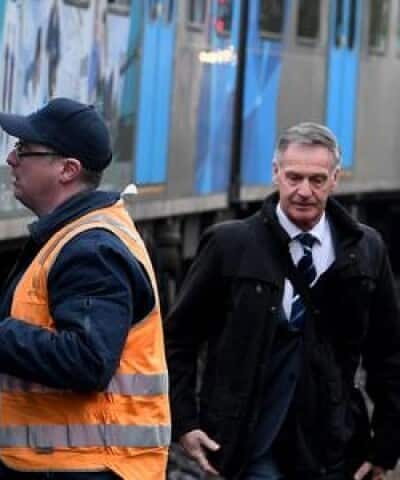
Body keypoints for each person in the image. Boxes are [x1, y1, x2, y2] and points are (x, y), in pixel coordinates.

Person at [0, 98, 168, 479]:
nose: (11, 160)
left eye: (24, 150)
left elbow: (87, 360)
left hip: (84, 469)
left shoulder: (92, 249)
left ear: (68, 170)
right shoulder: (71, 236)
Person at [165, 122, 400, 479]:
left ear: (335, 179)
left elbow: (388, 355)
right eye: (294, 177)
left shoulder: (365, 250)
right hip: (248, 446)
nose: (304, 190)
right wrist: (185, 422)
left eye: (317, 180)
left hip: (332, 448)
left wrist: (385, 444)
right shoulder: (229, 245)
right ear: (275, 174)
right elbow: (177, 339)